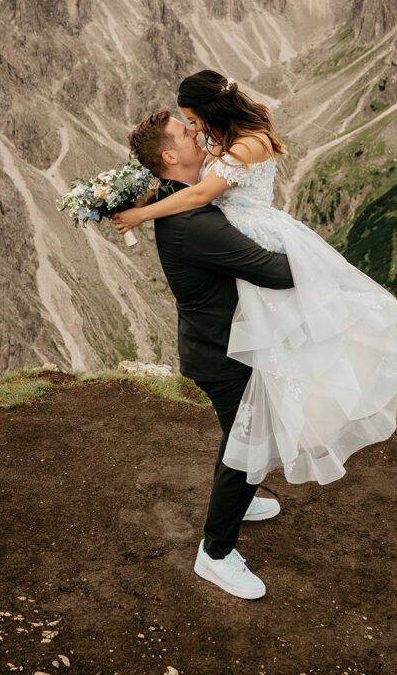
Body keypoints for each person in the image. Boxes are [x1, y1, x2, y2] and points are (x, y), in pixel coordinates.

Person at [114, 71, 397, 489]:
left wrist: (140, 214)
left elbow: (197, 195)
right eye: (187, 124)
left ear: (210, 110)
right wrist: (125, 197)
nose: (194, 129)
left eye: (193, 119)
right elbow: (179, 176)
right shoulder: (221, 137)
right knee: (270, 349)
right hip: (234, 233)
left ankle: (302, 423)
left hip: (256, 231)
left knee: (297, 327)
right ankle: (249, 470)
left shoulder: (250, 144)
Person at [124, 109, 296, 600]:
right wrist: (308, 251)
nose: (196, 132)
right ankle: (216, 553)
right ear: (170, 156)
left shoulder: (174, 197)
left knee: (241, 436)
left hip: (213, 343)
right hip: (223, 354)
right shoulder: (194, 224)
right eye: (185, 131)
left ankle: (236, 505)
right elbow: (275, 272)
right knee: (249, 444)